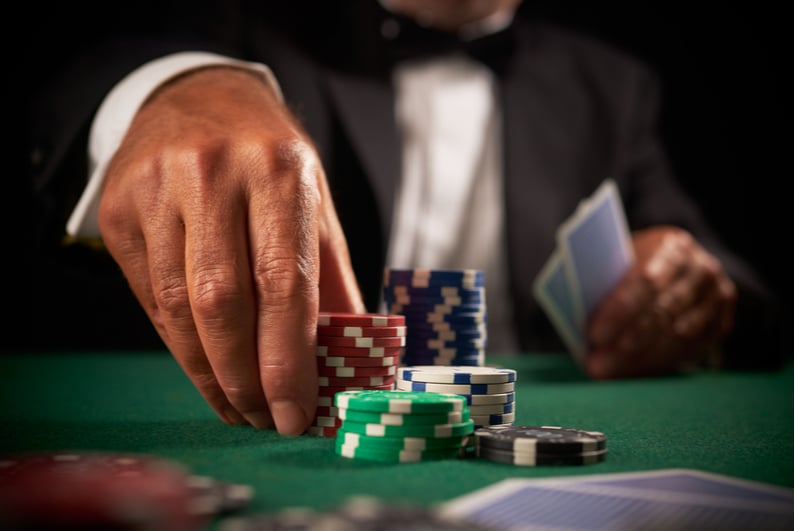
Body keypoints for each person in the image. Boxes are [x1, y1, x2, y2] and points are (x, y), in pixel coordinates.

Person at [22, 0, 781, 435]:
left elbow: (717, 267)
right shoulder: (248, 25)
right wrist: (168, 90)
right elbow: (82, 63)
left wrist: (692, 283)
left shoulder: (609, 87)